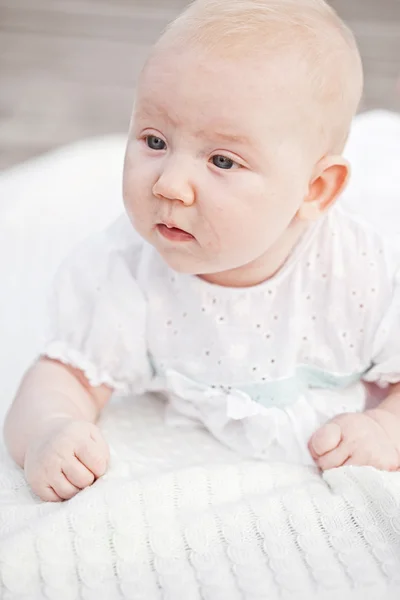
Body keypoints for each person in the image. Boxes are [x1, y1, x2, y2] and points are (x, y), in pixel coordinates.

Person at [4, 0, 400, 502]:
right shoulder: (126, 271)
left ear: (315, 189)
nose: (170, 185)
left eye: (221, 160)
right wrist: (49, 430)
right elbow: (61, 375)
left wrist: (386, 427)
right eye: (154, 140)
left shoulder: (358, 276)